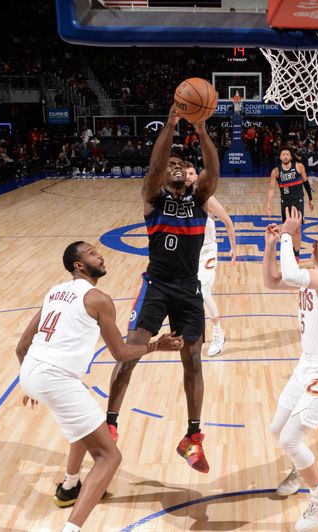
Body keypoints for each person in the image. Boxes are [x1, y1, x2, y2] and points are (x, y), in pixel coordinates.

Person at [16, 241, 183, 532]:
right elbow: (121, 353)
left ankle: (70, 486)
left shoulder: (53, 292)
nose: (100, 255)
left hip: (33, 371)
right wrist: (156, 345)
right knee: (109, 457)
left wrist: (32, 384)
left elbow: (21, 347)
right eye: (92, 253)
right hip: (54, 378)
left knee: (86, 422)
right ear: (79, 266)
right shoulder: (98, 299)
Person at [106, 103, 220, 473]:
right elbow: (154, 168)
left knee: (193, 360)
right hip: (155, 285)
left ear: (189, 176)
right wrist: (171, 125)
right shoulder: (153, 200)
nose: (174, 165)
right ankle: (110, 423)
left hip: (188, 288)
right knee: (130, 353)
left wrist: (202, 131)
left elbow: (213, 171)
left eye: (180, 164)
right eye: (169, 162)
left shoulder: (199, 200)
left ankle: (192, 438)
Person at [262, 206, 318, 530]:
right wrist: (272, 244)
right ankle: (303, 469)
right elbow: (272, 281)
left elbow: (289, 275)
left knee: (290, 439)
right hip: (307, 366)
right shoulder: (314, 275)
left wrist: (288, 233)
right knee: (277, 430)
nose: (315, 245)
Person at [184, 161, 237, 357]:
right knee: (192, 293)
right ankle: (197, 331)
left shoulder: (206, 197)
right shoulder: (179, 198)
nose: (188, 176)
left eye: (191, 173)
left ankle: (218, 333)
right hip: (190, 251)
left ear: (197, 176)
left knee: (204, 291)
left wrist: (233, 247)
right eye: (185, 173)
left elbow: (228, 222)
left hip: (207, 250)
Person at [265, 148, 314, 259]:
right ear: (280, 157)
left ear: (291, 157)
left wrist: (311, 199)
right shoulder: (276, 171)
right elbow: (271, 189)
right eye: (283, 154)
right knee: (287, 229)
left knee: (297, 230)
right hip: (285, 202)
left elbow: (306, 183)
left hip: (298, 201)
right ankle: (288, 252)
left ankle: (296, 256)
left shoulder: (299, 166)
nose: (285, 156)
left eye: (287, 154)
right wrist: (268, 204)